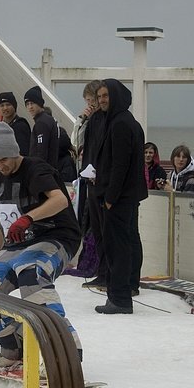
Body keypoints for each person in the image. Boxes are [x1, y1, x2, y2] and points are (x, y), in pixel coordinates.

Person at [0, 122, 82, 374]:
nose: (0, 166)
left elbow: (60, 200)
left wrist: (29, 218)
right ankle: (14, 347)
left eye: (4, 159)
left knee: (30, 272)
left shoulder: (36, 169)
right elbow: (1, 224)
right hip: (20, 244)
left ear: (15, 151)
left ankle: (66, 350)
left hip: (57, 236)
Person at [92, 79, 147, 314]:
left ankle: (120, 299)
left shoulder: (120, 124)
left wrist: (110, 197)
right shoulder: (122, 121)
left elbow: (120, 165)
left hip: (118, 199)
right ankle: (120, 295)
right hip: (125, 197)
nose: (102, 100)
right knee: (124, 245)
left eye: (106, 96)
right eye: (100, 96)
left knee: (118, 248)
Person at [78, 80, 108, 290]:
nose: (91, 104)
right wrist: (83, 120)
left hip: (102, 182)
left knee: (105, 231)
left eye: (93, 100)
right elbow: (77, 140)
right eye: (88, 101)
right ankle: (100, 270)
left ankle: (106, 273)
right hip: (89, 179)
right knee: (95, 229)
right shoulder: (90, 121)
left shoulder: (107, 121)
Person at [24, 86, 59, 168]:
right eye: (27, 104)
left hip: (42, 172)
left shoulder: (41, 123)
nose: (30, 107)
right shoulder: (49, 119)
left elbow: (41, 153)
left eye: (32, 103)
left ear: (39, 103)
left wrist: (36, 171)